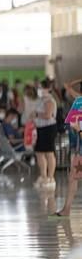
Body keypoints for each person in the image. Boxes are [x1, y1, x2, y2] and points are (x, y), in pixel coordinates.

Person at [51, 80, 82, 217]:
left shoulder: (79, 102)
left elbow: (73, 125)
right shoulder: (79, 101)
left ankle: (67, 209)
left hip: (80, 148)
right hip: (79, 148)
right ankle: (66, 209)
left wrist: (78, 130)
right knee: (72, 177)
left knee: (73, 178)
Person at [34, 79, 58, 189]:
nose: (39, 89)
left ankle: (50, 177)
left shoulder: (49, 100)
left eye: (41, 87)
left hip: (49, 128)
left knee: (49, 152)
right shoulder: (40, 100)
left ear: (47, 89)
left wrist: (36, 114)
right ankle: (43, 176)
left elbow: (48, 115)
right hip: (40, 128)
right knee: (39, 152)